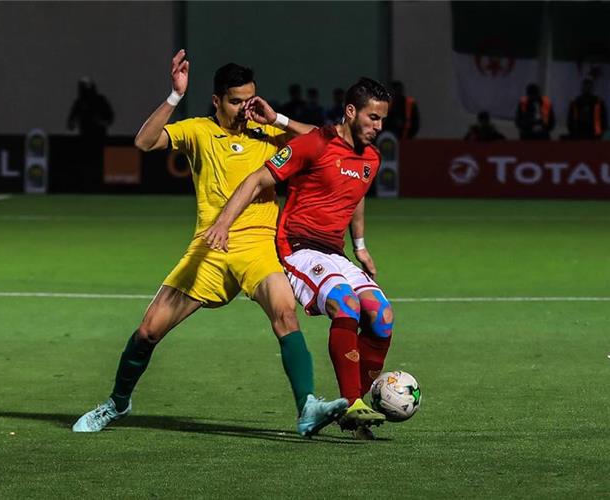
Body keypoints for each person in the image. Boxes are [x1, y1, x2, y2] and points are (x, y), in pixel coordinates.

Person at [72, 50, 348, 436]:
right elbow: (144, 141)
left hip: (258, 246)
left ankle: (307, 407)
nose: (244, 109)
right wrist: (175, 95)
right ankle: (117, 403)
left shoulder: (268, 133)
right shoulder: (199, 130)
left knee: (285, 314)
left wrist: (277, 119)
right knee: (149, 330)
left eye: (249, 100)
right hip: (210, 247)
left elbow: (329, 144)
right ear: (217, 100)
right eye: (235, 101)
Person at [204, 77, 395, 440]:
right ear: (351, 111)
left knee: (382, 316)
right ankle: (352, 402)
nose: (379, 126)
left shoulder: (371, 157)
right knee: (346, 303)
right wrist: (223, 224)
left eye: (382, 119)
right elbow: (257, 179)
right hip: (298, 248)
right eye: (373, 117)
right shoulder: (315, 143)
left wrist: (360, 246)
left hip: (335, 251)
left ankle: (361, 412)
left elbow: (355, 196)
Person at [66, 76, 114, 140]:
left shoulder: (100, 100)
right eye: (83, 86)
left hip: (99, 136)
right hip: (85, 135)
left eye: (86, 86)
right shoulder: (79, 103)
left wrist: (101, 120)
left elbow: (110, 118)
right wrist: (72, 123)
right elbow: (71, 121)